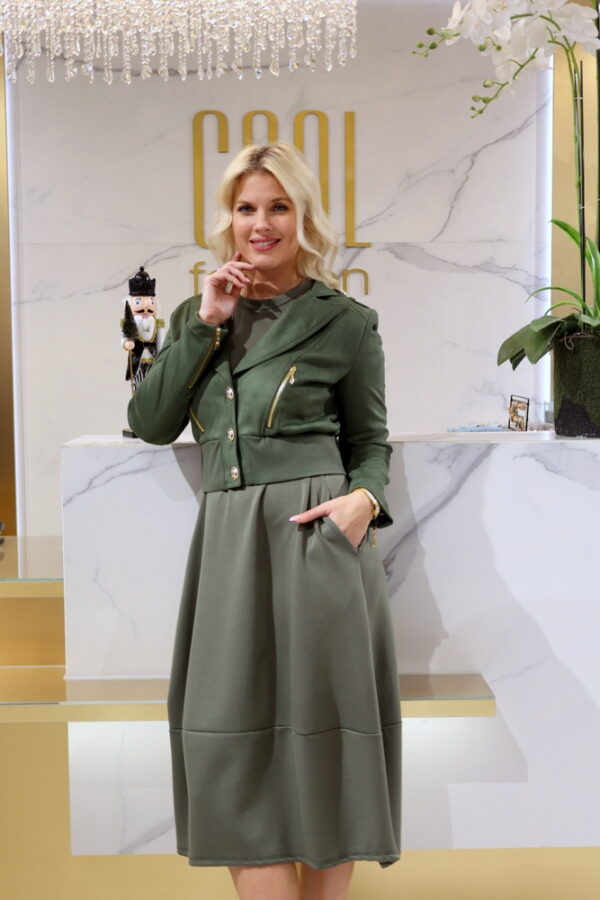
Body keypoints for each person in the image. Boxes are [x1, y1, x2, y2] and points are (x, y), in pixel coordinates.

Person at [127, 141, 401, 900]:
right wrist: (208, 321)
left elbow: (371, 442)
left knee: (328, 748)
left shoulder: (346, 320)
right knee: (229, 748)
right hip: (230, 548)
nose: (261, 223)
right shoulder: (197, 315)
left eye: (279, 206)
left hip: (319, 542)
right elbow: (150, 422)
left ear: (303, 216)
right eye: (246, 207)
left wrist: (363, 501)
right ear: (228, 218)